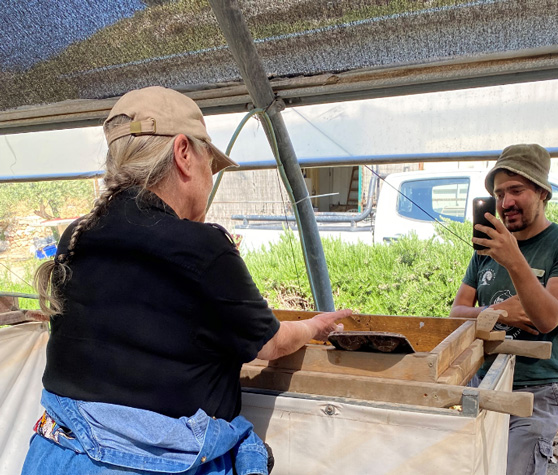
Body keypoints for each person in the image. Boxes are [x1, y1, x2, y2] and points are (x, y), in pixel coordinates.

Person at [22, 86, 351, 475]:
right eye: (210, 165)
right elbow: (269, 345)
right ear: (183, 154)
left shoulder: (77, 234)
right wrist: (314, 324)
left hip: (56, 455)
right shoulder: (200, 246)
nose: (210, 180)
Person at [449, 144, 558, 475]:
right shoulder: (486, 248)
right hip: (485, 378)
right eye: (499, 194)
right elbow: (455, 314)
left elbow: (547, 318)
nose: (505, 203)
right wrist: (499, 312)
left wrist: (514, 260)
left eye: (516, 190)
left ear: (542, 192)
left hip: (538, 388)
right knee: (478, 468)